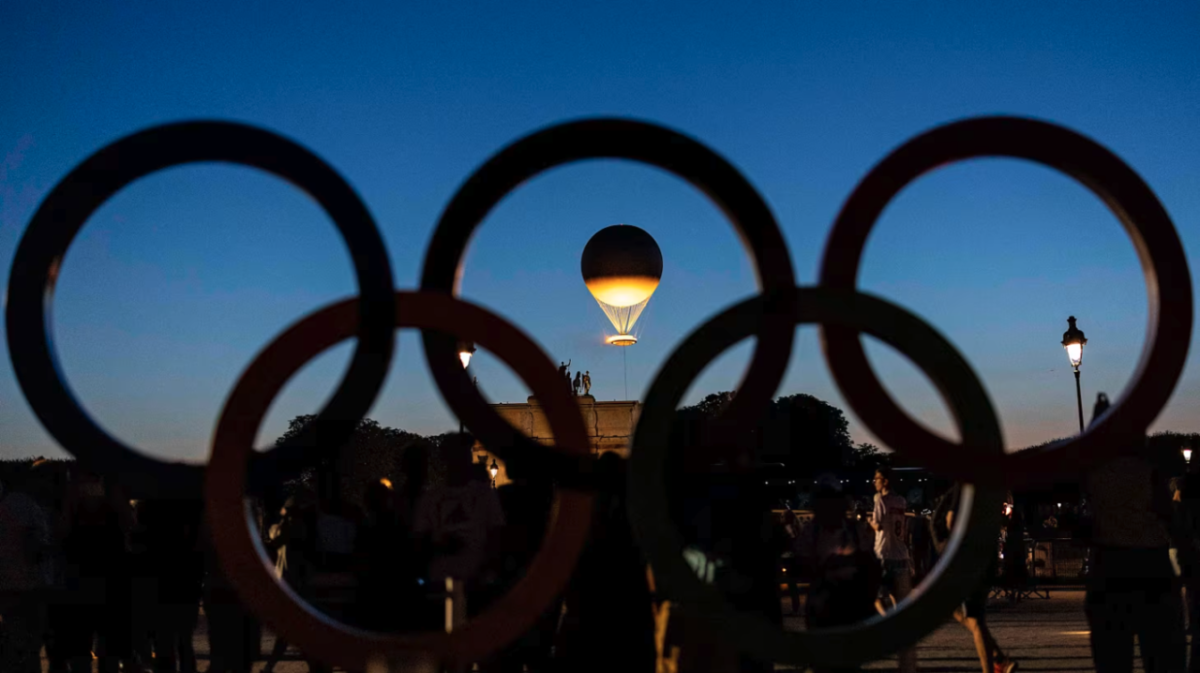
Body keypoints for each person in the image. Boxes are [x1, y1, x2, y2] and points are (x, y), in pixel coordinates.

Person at [1083, 392, 1186, 673]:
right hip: (1152, 565)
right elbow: (1170, 519)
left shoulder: (1093, 471)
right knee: (1164, 656)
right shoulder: (1150, 471)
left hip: (1110, 565)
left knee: (1112, 659)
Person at [413, 433, 506, 632]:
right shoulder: (482, 495)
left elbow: (496, 536)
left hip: (468, 579)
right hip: (453, 579)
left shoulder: (433, 498)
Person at [931, 483, 1017, 673]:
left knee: (974, 619)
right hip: (987, 555)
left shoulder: (964, 485)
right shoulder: (994, 490)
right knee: (968, 613)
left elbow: (951, 521)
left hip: (968, 557)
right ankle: (999, 658)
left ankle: (995, 664)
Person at [798, 478, 880, 673]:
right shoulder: (813, 530)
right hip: (823, 602)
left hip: (849, 601)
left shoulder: (853, 529)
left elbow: (870, 563)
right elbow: (802, 563)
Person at [0, 467, 52, 673]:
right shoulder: (28, 507)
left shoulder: (8, 506)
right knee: (29, 644)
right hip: (29, 585)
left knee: (16, 641)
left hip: (9, 584)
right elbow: (37, 546)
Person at [870, 467, 916, 673]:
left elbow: (879, 526)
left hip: (884, 553)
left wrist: (868, 521)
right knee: (898, 597)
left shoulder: (881, 500)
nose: (874, 481)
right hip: (901, 552)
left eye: (877, 478)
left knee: (876, 596)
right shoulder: (901, 501)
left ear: (885, 481)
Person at [780, 509, 801, 615]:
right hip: (794, 557)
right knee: (793, 584)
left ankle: (795, 607)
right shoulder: (797, 527)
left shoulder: (786, 528)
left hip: (786, 557)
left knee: (791, 583)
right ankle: (796, 606)